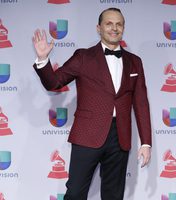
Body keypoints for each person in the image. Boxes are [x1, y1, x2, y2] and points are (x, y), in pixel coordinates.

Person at [32, 7, 152, 200]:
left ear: (123, 27)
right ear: (98, 28)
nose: (114, 28)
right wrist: (43, 59)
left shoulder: (135, 62)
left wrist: (146, 142)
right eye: (109, 23)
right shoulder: (83, 57)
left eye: (119, 24)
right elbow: (54, 82)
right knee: (75, 193)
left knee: (114, 195)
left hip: (119, 137)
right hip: (87, 134)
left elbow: (141, 103)